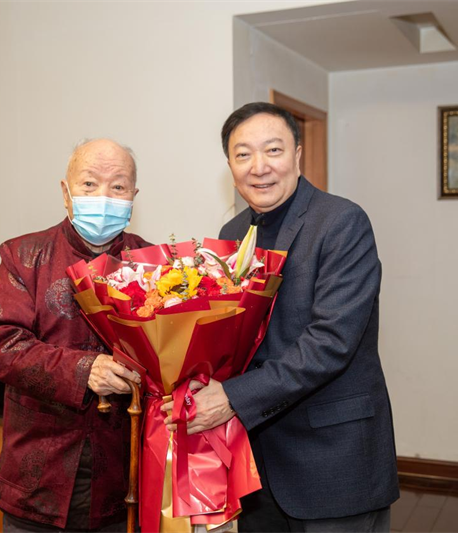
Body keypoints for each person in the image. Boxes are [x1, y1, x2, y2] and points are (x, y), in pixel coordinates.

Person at [168, 103, 399, 533]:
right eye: (243, 154)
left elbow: (330, 342)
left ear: (297, 154)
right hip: (256, 464)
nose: (259, 167)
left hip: (331, 458)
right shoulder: (232, 235)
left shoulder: (341, 222)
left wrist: (231, 397)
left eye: (273, 150)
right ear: (230, 166)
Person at [0, 139, 149, 533]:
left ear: (134, 196)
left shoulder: (150, 263)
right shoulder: (23, 256)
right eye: (89, 184)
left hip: (124, 484)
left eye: (118, 186)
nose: (103, 197)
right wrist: (85, 369)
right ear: (65, 192)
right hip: (36, 482)